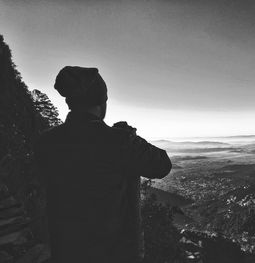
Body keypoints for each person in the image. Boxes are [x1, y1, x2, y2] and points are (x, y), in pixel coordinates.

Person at [34, 66, 172, 263]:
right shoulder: (118, 142)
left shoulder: (46, 142)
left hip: (65, 248)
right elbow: (162, 165)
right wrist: (129, 137)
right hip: (114, 253)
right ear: (101, 101)